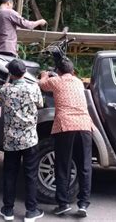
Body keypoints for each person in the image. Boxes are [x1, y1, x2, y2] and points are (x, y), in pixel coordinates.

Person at [39, 57, 93, 218]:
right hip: (84, 125)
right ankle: (83, 204)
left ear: (58, 71)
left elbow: (41, 85)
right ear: (73, 71)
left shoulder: (56, 82)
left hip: (66, 126)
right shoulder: (77, 82)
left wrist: (44, 74)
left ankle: (63, 204)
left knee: (63, 165)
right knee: (85, 165)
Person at [0, 59, 44, 222]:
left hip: (11, 140)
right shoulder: (33, 88)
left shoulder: (5, 90)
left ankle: (8, 210)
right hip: (30, 139)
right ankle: (31, 211)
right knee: (30, 174)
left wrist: (8, 80)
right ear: (25, 72)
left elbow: (0, 104)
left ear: (10, 74)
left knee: (10, 174)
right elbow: (40, 104)